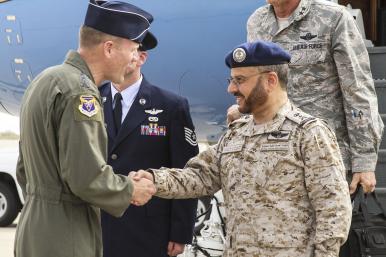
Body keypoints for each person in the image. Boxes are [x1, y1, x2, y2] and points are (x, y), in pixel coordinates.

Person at [132, 40, 352, 257]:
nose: (231, 88)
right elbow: (200, 177)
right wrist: (154, 180)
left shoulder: (308, 134)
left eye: (240, 80)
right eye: (232, 80)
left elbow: (333, 209)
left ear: (270, 80)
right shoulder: (236, 133)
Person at [14, 1, 157, 257]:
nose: (135, 58)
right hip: (65, 235)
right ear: (110, 49)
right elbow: (85, 177)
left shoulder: (45, 79)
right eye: (133, 49)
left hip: (34, 229)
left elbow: (24, 170)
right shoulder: (82, 93)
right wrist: (131, 190)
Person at [227, 0, 384, 194]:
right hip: (273, 157)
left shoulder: (333, 18)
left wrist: (364, 162)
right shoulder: (257, 21)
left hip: (324, 159)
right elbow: (261, 84)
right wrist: (245, 111)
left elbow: (357, 90)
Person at [99, 30, 199, 257]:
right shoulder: (91, 99)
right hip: (99, 225)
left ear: (141, 58)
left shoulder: (171, 105)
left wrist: (181, 231)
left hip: (149, 229)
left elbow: (186, 170)